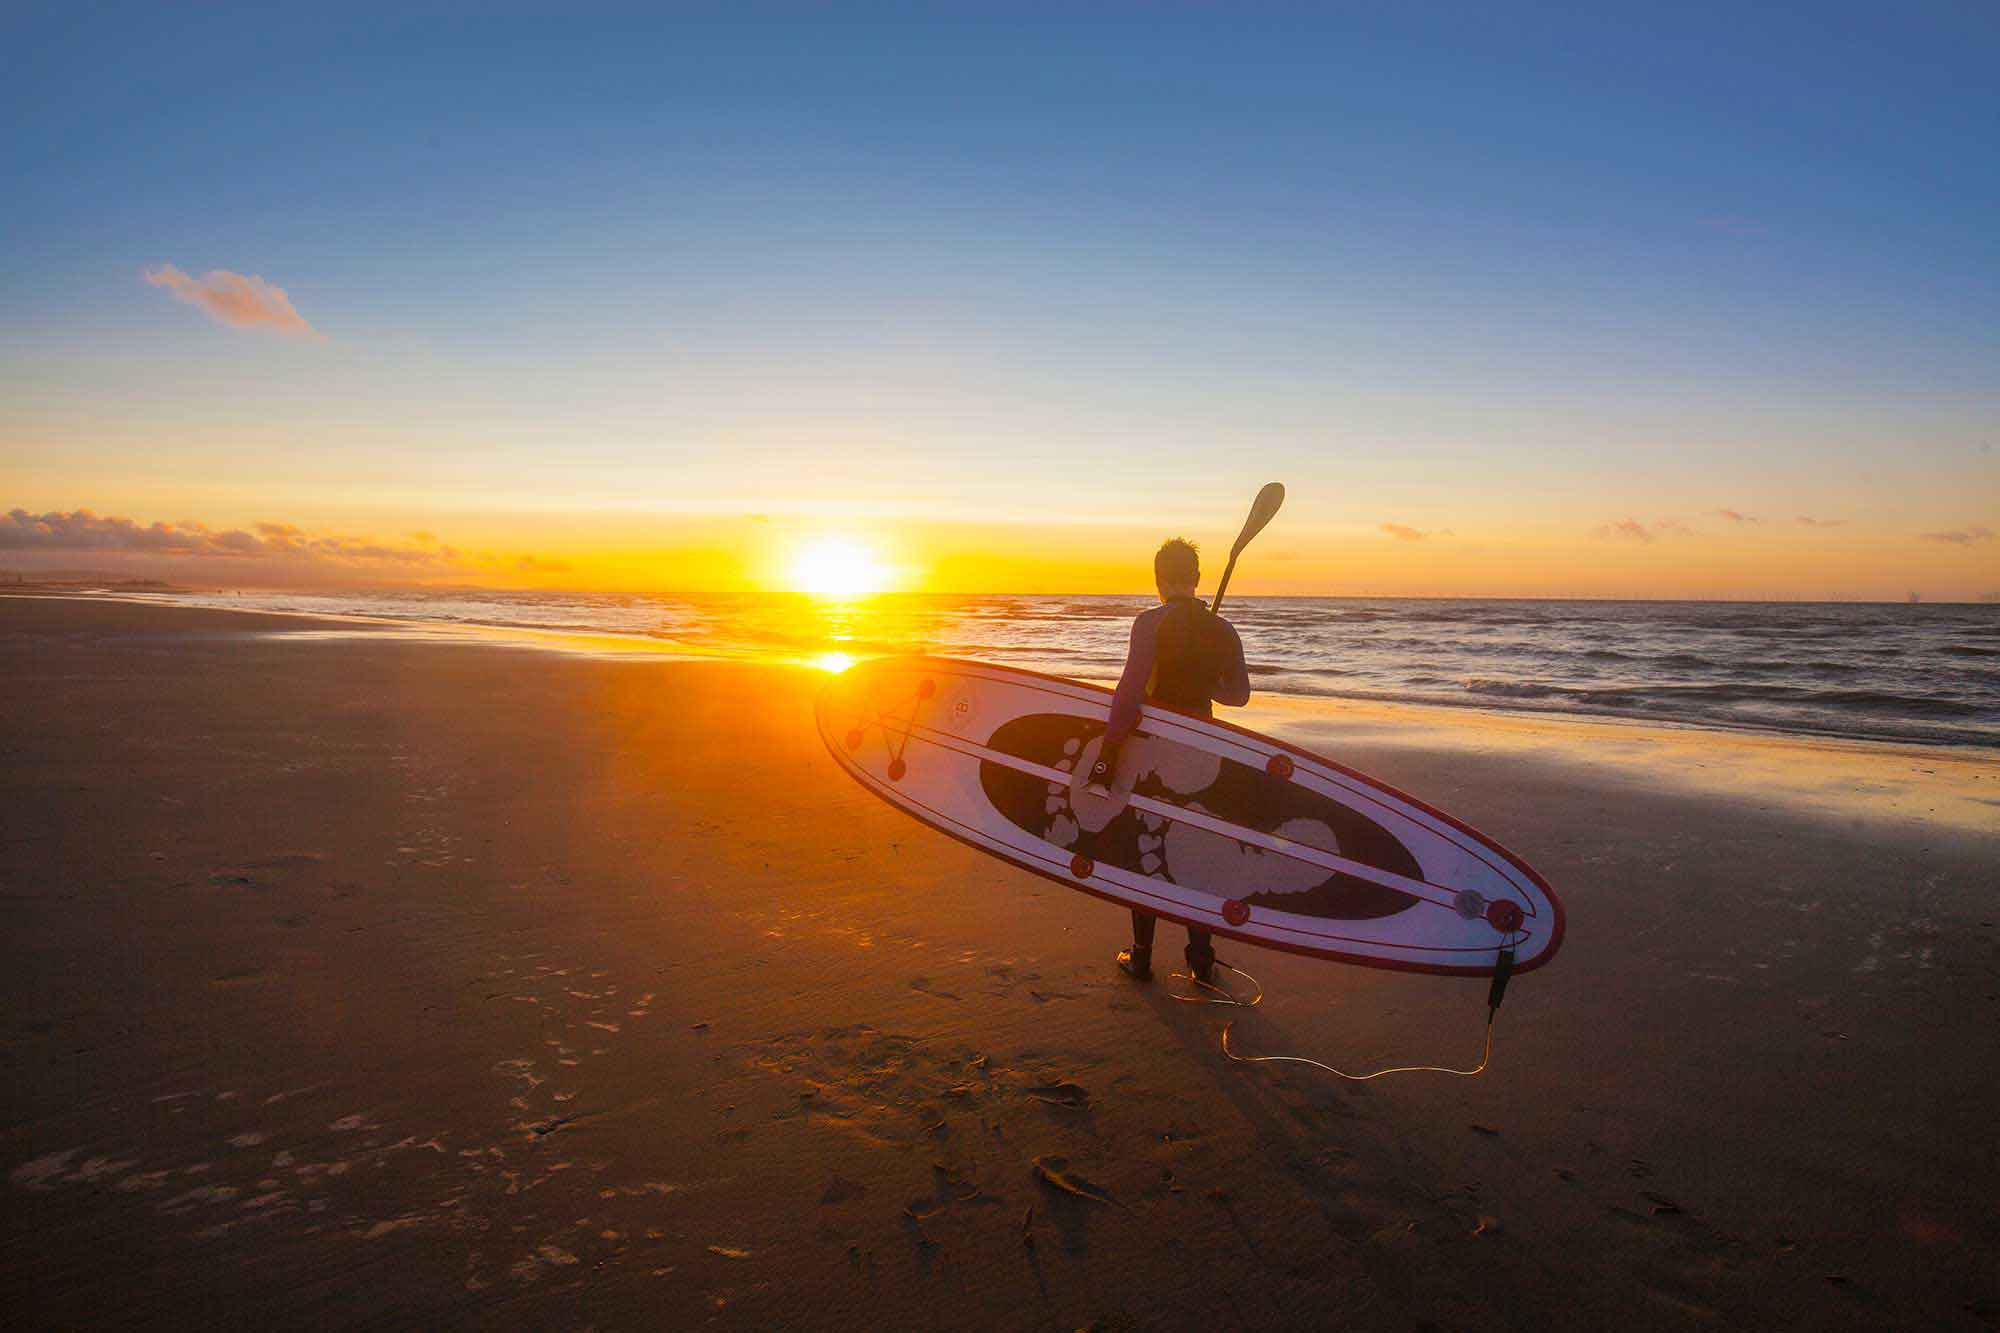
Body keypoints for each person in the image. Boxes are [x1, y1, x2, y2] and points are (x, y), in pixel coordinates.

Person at [1092, 537, 1252, 984]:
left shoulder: (1150, 623)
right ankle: (1200, 959)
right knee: (1195, 851)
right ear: (1197, 578)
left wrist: (1108, 750)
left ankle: (1141, 956)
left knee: (1145, 846)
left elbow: (1128, 697)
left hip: (1152, 752)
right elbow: (1238, 695)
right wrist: (1205, 678)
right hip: (1202, 752)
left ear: (1158, 579)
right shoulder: (1222, 630)